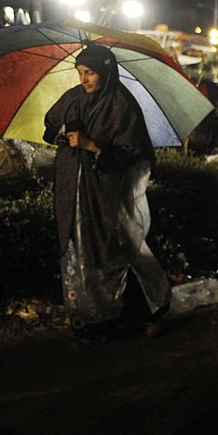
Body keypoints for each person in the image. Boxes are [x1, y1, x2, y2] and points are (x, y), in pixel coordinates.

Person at [42, 44, 171, 342]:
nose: (83, 80)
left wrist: (92, 146)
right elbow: (49, 127)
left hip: (109, 192)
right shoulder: (73, 98)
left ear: (107, 72)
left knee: (121, 248)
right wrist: (62, 132)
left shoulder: (121, 104)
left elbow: (130, 150)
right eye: (79, 73)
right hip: (73, 188)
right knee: (81, 251)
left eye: (90, 73)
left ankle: (148, 311)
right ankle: (93, 317)